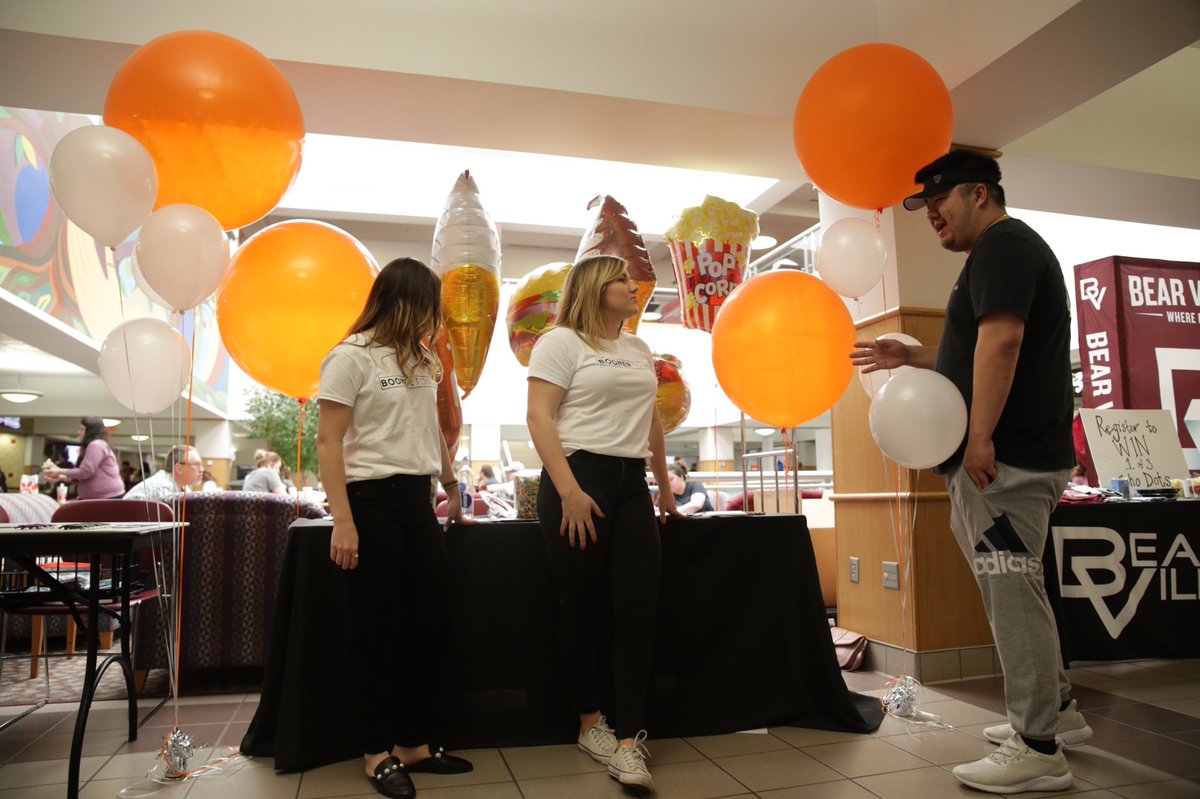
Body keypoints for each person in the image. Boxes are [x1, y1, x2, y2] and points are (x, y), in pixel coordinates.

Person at [852, 150, 1085, 794]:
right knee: (1017, 588)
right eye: (925, 206)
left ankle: (1038, 746)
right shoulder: (998, 255)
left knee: (1011, 593)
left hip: (1003, 463)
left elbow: (1004, 344)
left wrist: (979, 436)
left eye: (940, 201)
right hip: (1005, 459)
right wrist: (919, 353)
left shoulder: (1005, 249)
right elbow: (979, 347)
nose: (932, 213)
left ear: (980, 193)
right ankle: (1055, 708)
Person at [317, 256, 473, 799]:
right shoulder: (349, 356)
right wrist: (343, 521)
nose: (435, 318)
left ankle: (411, 742)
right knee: (375, 632)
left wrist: (452, 487)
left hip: (416, 500)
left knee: (430, 621)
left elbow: (429, 430)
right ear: (403, 301)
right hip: (370, 501)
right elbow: (328, 443)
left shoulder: (424, 360)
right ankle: (375, 751)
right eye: (429, 305)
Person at [526, 254, 677, 790]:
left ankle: (631, 743)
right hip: (577, 477)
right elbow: (539, 416)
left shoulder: (637, 347)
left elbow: (651, 418)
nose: (632, 287)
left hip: (630, 483)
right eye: (620, 281)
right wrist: (568, 490)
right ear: (594, 288)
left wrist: (662, 485)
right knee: (581, 606)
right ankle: (591, 722)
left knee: (639, 607)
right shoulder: (560, 342)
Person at [44, 417, 125, 499]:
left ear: (90, 432)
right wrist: (61, 476)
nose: (79, 432)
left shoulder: (96, 445)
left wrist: (58, 471)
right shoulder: (96, 445)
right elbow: (84, 475)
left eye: (82, 429)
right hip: (101, 497)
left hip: (107, 497)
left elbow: (85, 472)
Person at [124, 445, 204, 501]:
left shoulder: (183, 487)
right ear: (179, 469)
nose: (202, 469)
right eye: (197, 464)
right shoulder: (163, 487)